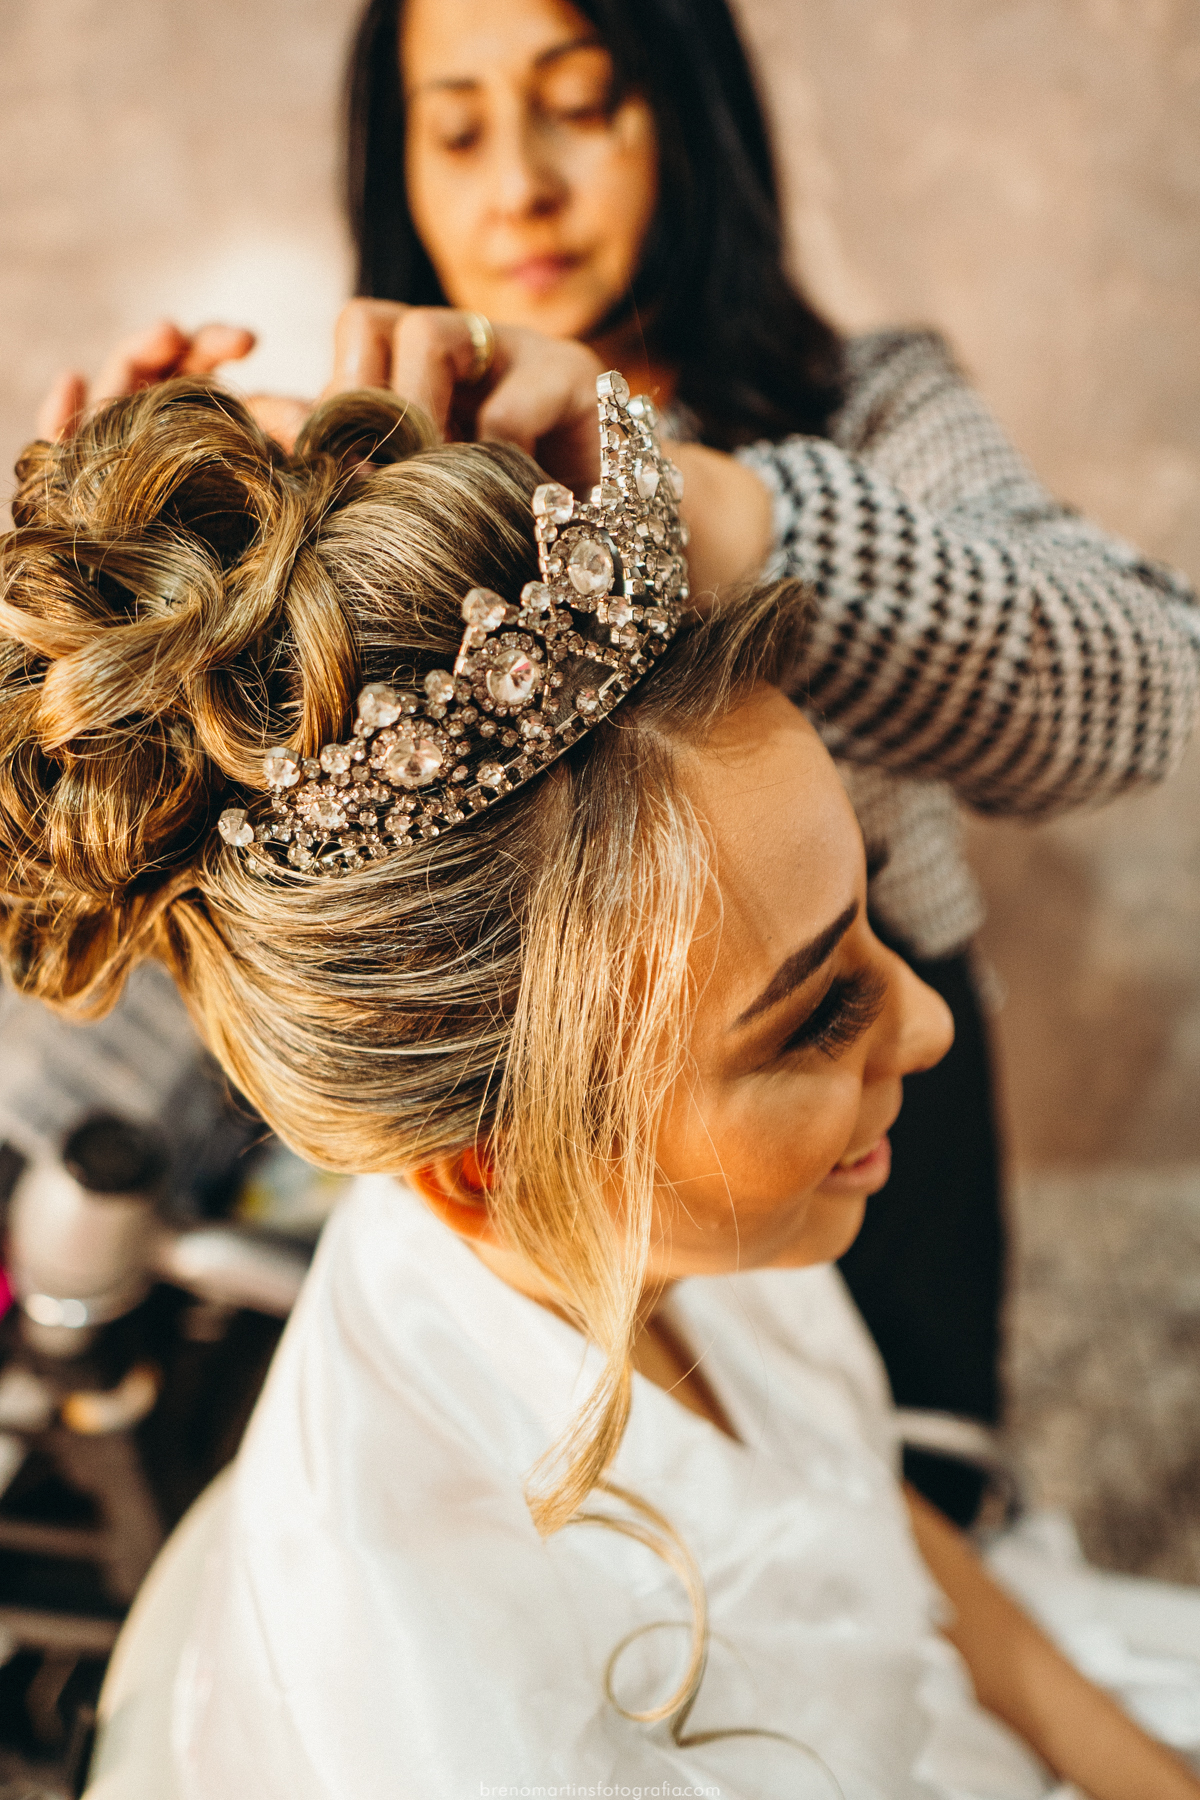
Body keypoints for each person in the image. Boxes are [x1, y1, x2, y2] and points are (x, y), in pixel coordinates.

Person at [44, 0, 1200, 1524]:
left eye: (583, 104)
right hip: (531, 1181)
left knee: (906, 1525)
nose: (517, 181)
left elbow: (1149, 684)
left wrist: (721, 510)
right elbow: (245, 915)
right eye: (456, 128)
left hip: (828, 1074)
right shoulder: (365, 472)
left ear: (689, 120)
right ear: (402, 165)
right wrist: (118, 646)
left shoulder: (868, 404)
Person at [5, 360, 1200, 1798]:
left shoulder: (650, 1227)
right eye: (815, 1018)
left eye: (869, 913)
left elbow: (847, 1507)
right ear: (481, 1173)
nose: (931, 1031)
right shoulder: (454, 1727)